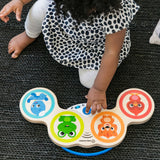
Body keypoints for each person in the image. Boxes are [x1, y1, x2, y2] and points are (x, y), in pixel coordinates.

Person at [0, 0, 139, 114]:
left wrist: (98, 89)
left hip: (96, 47)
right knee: (39, 8)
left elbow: (111, 53)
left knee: (90, 81)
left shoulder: (115, 12)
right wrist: (20, 1)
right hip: (63, 23)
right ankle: (29, 35)